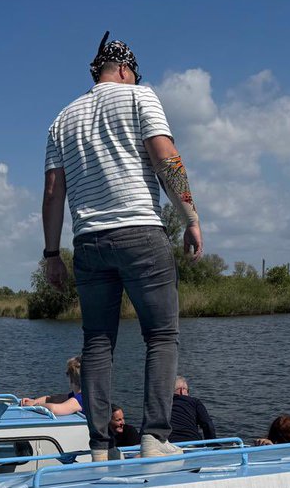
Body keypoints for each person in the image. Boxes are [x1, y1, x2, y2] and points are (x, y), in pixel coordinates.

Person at [42, 32, 203, 461]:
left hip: (88, 242)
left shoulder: (62, 119)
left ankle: (99, 447)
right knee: (161, 335)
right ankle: (154, 438)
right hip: (140, 232)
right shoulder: (140, 97)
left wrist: (52, 254)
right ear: (126, 70)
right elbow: (166, 157)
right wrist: (190, 218)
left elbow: (53, 192)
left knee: (97, 342)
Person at [170, 376, 216, 443]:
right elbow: (207, 424)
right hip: (192, 442)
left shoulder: (163, 404)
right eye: (187, 391)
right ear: (182, 390)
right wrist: (212, 444)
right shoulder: (194, 402)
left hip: (168, 443)